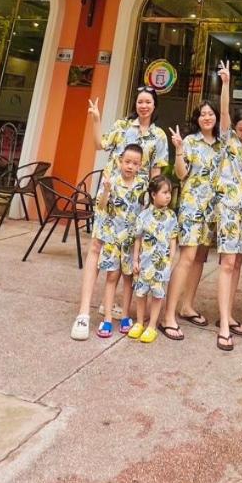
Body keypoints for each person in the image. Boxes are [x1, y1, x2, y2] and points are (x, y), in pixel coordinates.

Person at [70, 90, 167, 340]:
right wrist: (95, 119)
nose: (144, 105)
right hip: (110, 198)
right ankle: (83, 313)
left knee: (126, 260)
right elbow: (99, 145)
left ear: (154, 105)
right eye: (140, 101)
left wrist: (153, 208)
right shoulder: (122, 126)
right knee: (96, 247)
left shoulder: (158, 136)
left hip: (136, 205)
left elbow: (156, 175)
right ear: (135, 103)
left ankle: (114, 307)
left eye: (148, 102)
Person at [160, 99, 223, 339]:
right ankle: (168, 315)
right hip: (191, 207)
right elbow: (181, 174)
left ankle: (187, 306)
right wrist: (178, 149)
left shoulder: (221, 145)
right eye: (202, 114)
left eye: (210, 113)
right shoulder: (190, 142)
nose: (207, 117)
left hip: (211, 210)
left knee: (199, 259)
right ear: (197, 119)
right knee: (186, 258)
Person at [214, 61, 242, 350]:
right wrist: (227, 83)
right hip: (229, 210)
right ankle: (223, 324)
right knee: (228, 264)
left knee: (238, 263)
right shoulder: (228, 141)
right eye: (240, 128)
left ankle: (228, 314)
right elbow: (224, 112)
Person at [90, 143, 147, 338]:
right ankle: (107, 318)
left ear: (140, 165)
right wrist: (106, 190)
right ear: (120, 161)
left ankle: (124, 316)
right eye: (127, 162)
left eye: (135, 163)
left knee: (129, 278)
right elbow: (101, 206)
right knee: (112, 277)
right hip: (113, 239)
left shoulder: (142, 184)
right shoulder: (112, 181)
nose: (130, 166)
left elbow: (146, 211)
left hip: (131, 241)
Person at [129, 175, 179, 343]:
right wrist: (135, 260)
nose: (168, 196)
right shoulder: (144, 215)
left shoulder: (171, 216)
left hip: (161, 265)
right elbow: (138, 239)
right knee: (141, 293)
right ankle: (139, 322)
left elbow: (173, 239)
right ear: (153, 194)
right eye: (164, 192)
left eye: (169, 193)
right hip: (144, 263)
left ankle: (152, 325)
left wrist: (170, 260)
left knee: (157, 295)